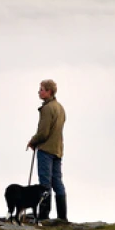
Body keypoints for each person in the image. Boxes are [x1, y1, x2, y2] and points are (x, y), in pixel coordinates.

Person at [27, 79, 67, 222]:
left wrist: (33, 141)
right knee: (57, 182)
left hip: (46, 149)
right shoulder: (60, 108)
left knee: (45, 183)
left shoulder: (47, 108)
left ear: (49, 91)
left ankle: (44, 215)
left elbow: (43, 133)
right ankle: (62, 216)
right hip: (58, 149)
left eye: (42, 89)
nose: (39, 92)